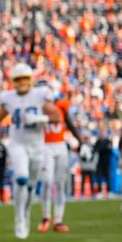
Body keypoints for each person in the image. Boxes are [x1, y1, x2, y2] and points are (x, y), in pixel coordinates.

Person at [0, 64, 61, 239]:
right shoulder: (9, 98)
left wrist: (39, 118)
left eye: (24, 78)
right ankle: (19, 218)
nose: (21, 82)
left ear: (30, 79)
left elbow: (56, 117)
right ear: (13, 81)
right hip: (17, 143)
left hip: (37, 145)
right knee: (21, 178)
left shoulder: (40, 94)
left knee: (31, 185)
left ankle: (25, 213)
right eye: (18, 79)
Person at [38, 85, 82, 232]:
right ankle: (45, 217)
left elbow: (69, 123)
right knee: (46, 182)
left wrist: (81, 140)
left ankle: (58, 220)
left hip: (60, 145)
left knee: (60, 183)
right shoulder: (35, 107)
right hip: (44, 146)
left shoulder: (61, 105)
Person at [93, 129, 114, 197]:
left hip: (106, 162)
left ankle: (109, 191)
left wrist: (103, 149)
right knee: (99, 178)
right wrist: (105, 148)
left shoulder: (108, 141)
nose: (102, 134)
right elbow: (96, 150)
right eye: (101, 133)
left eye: (103, 133)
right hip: (99, 163)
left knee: (108, 177)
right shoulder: (98, 142)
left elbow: (110, 150)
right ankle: (99, 192)